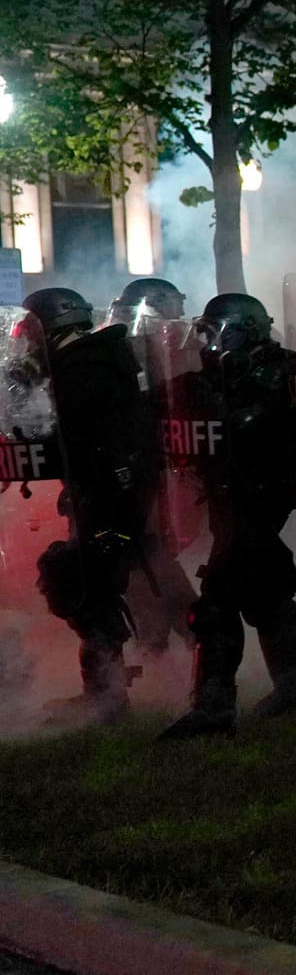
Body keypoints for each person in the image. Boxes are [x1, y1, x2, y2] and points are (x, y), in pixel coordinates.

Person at [159, 294, 296, 738]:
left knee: (216, 602)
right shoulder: (216, 378)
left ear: (243, 332)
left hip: (262, 499)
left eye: (215, 334)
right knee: (264, 591)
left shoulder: (290, 371)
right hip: (229, 502)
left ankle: (214, 707)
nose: (207, 344)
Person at [17, 288, 156, 723]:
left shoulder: (85, 371)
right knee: (88, 583)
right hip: (101, 495)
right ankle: (104, 692)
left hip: (108, 499)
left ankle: (108, 698)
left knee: (81, 584)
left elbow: (71, 438)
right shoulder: (88, 362)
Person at [112, 278, 202, 657]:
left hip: (159, 471)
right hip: (149, 470)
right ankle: (170, 639)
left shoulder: (154, 345)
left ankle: (184, 636)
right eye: (173, 303)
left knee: (151, 559)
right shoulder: (140, 348)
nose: (179, 311)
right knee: (145, 559)